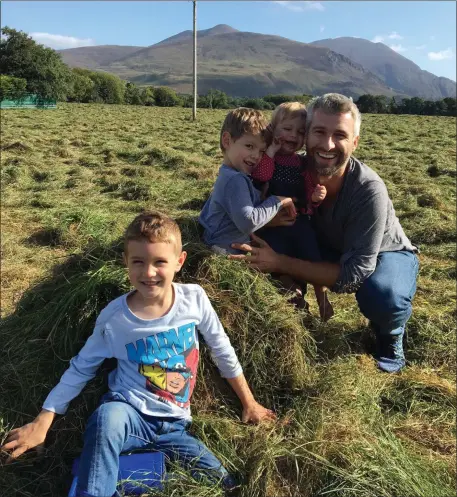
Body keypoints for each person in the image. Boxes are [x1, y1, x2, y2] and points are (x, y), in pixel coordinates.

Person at [1, 212, 276, 496]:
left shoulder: (194, 299)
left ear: (179, 262)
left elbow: (221, 348)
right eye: (138, 262)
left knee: (224, 482)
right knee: (107, 419)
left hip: (175, 425)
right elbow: (82, 367)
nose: (148, 272)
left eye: (160, 262)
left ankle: (114, 468)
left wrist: (249, 402)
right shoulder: (115, 319)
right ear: (126, 261)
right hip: (128, 414)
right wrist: (43, 421)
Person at [230, 93, 419, 374]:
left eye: (340, 135)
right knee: (256, 249)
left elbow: (354, 274)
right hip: (324, 244)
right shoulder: (292, 167)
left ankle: (391, 333)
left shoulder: (368, 190)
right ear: (306, 136)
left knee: (383, 295)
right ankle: (292, 314)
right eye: (319, 132)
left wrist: (280, 262)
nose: (328, 144)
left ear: (355, 142)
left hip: (380, 252)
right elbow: (244, 197)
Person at [251, 102, 333, 320]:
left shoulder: (302, 163)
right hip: (272, 224)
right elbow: (261, 177)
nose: (293, 136)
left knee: (311, 256)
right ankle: (293, 295)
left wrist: (315, 197)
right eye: (287, 129)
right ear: (273, 130)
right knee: (275, 258)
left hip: (299, 222)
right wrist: (271, 150)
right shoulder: (267, 158)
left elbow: (307, 192)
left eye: (300, 132)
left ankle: (322, 297)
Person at [199, 107, 297, 255]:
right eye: (249, 146)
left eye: (261, 151)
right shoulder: (235, 179)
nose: (256, 156)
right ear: (227, 141)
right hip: (224, 253)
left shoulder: (227, 173)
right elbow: (248, 222)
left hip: (218, 246)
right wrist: (277, 201)